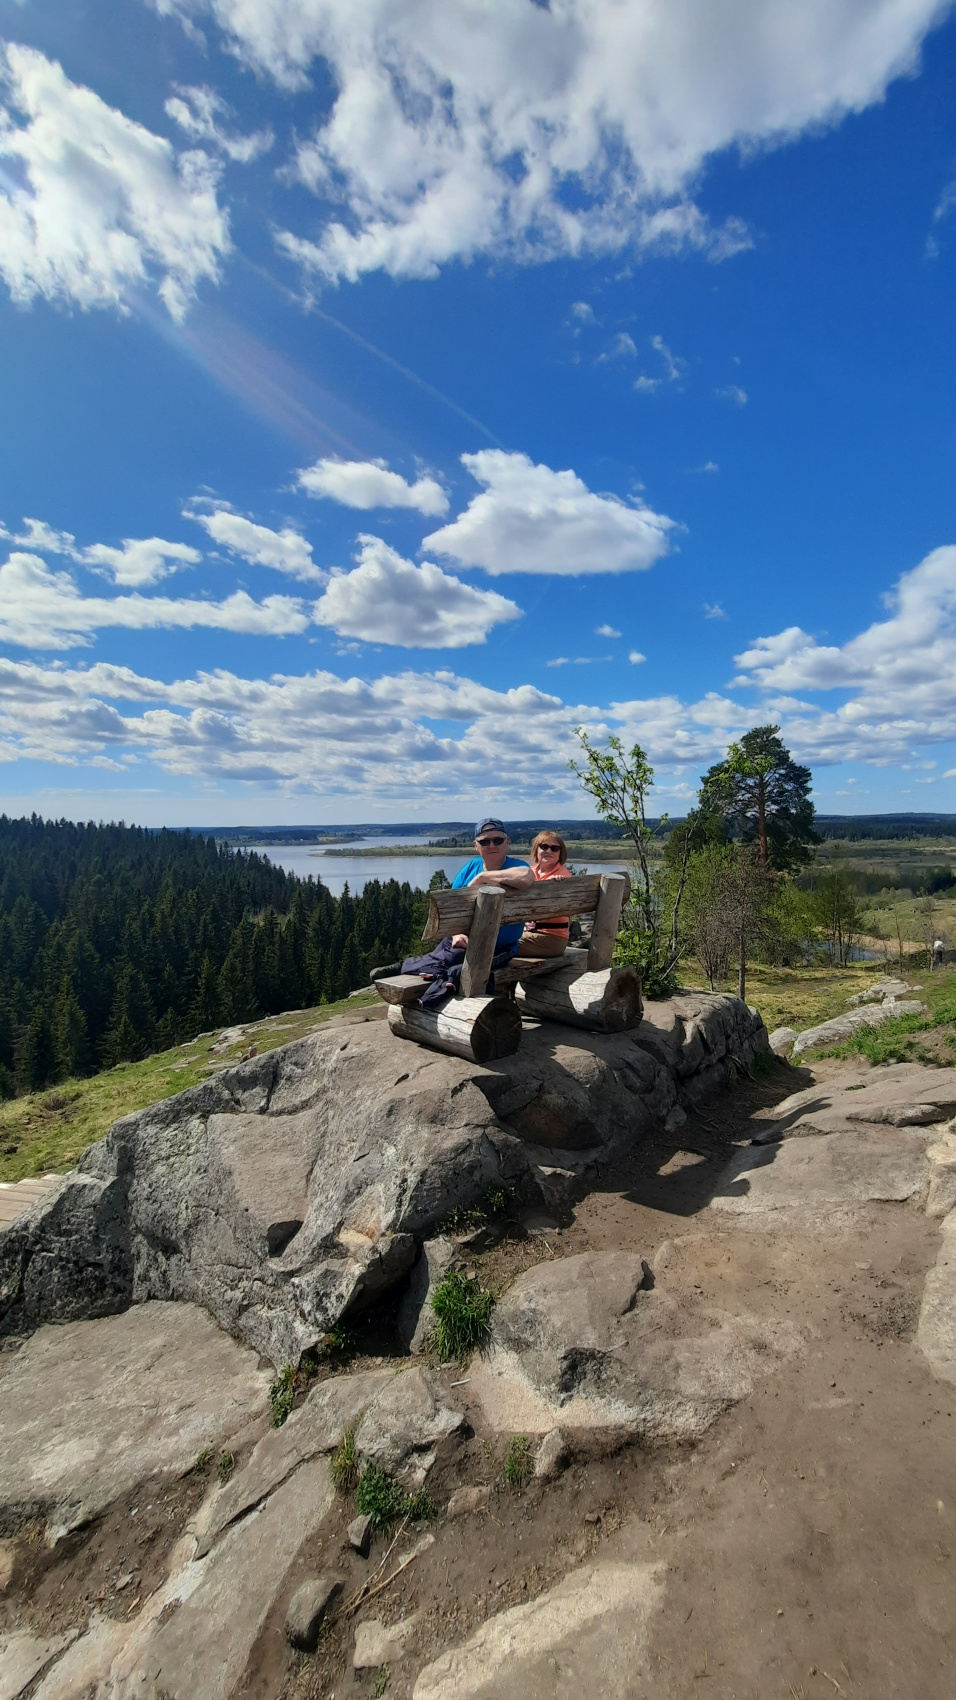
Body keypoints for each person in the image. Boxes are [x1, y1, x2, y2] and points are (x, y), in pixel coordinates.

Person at [450, 817, 534, 952]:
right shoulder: (472, 865)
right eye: (484, 842)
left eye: (497, 840)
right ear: (476, 846)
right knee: (423, 967)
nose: (492, 845)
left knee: (447, 970)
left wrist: (482, 877)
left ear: (507, 842)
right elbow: (452, 903)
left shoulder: (517, 865)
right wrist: (457, 934)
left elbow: (525, 877)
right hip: (464, 943)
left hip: (500, 949)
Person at [516, 830, 572, 958]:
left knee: (498, 945)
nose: (548, 851)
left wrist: (554, 886)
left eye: (554, 848)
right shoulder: (529, 872)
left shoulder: (563, 876)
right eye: (544, 846)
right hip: (528, 932)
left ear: (560, 853)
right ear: (536, 850)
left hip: (551, 938)